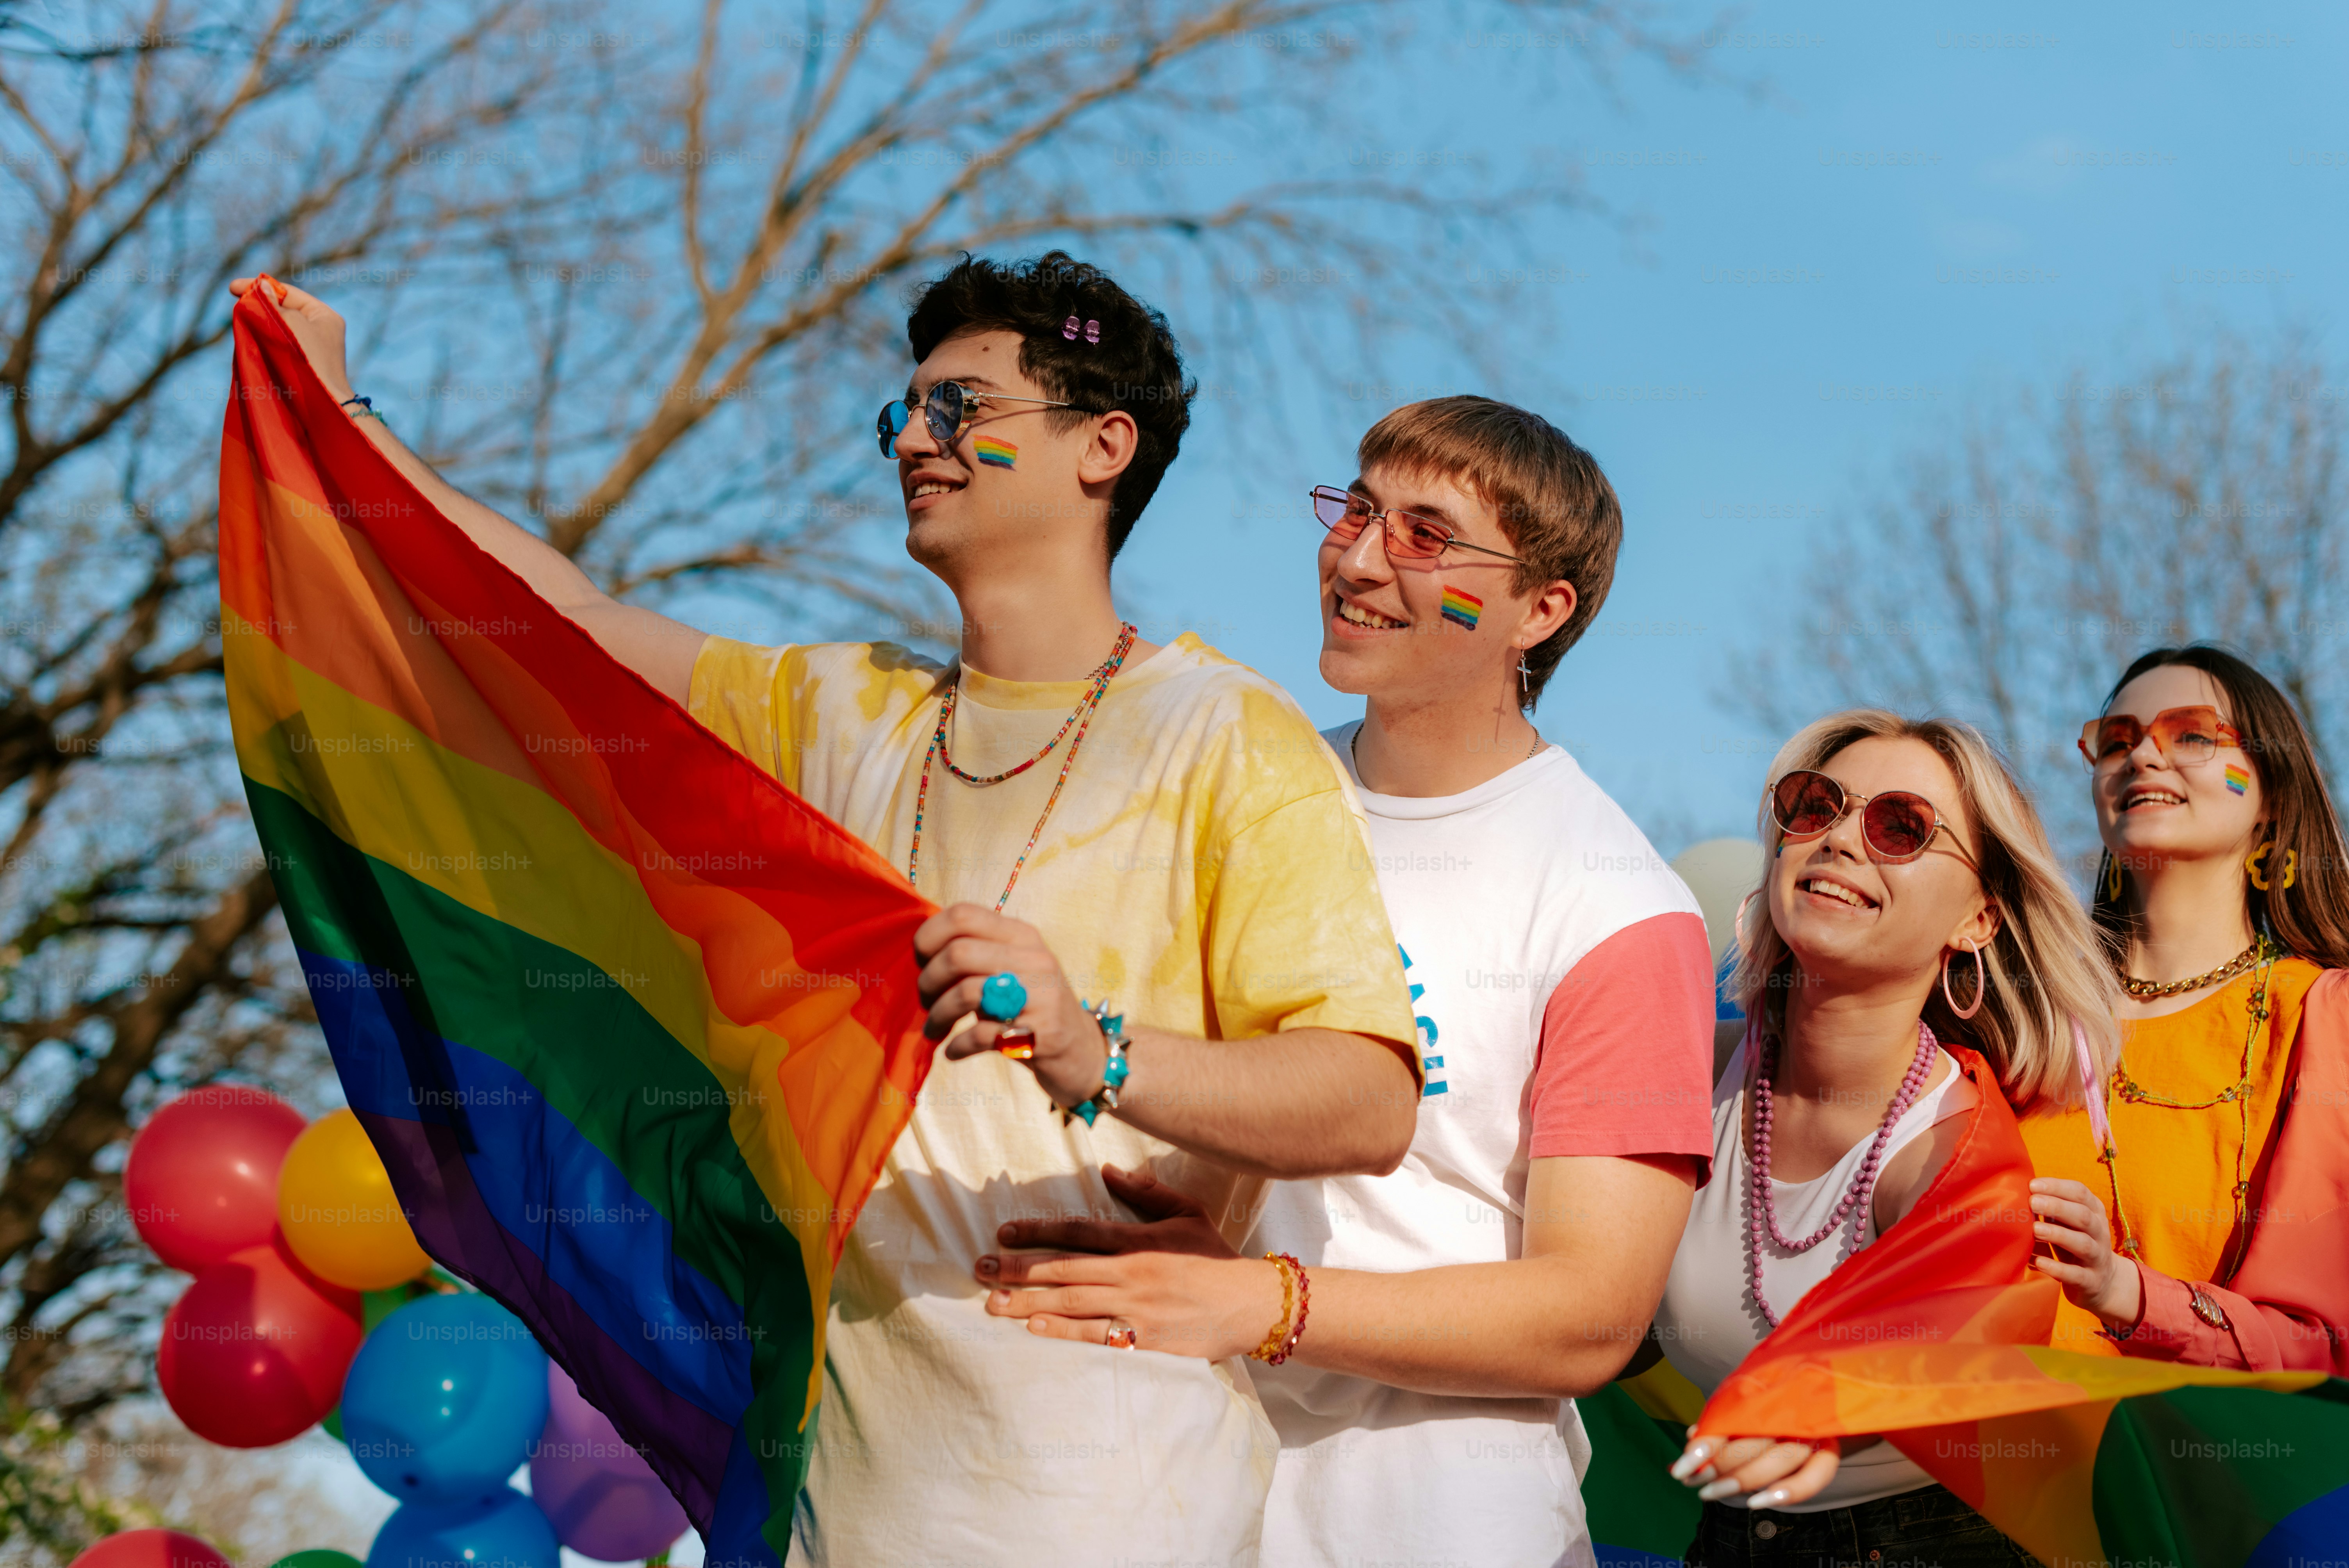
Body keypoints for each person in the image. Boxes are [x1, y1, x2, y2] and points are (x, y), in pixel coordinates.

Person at [229, 254, 1426, 1566]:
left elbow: (1365, 1095)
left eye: (962, 408)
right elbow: (557, 623)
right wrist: (340, 420)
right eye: (903, 413)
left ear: (1103, 444)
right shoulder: (841, 708)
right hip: (830, 1509)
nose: (915, 437)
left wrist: (1099, 1048)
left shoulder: (1224, 737)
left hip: (1110, 1502)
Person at [968, 396, 1717, 1567]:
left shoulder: (1619, 904)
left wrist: (1268, 1305)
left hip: (1442, 1510)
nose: (1359, 558)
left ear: (1542, 608)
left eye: (1426, 534)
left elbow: (1590, 1315)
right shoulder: (1243, 794)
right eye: (1358, 510)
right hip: (1163, 1478)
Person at [1654, 711, 2117, 1564]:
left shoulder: (1959, 1161)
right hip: (1724, 1535)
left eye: (1899, 827)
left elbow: (1934, 1366)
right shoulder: (1681, 1079)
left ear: (1977, 918)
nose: (1837, 838)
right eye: (1814, 805)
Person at [2023, 645, 2349, 1369]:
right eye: (2116, 740)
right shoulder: (2024, 1014)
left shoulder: (2324, 1017)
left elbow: (2326, 1347)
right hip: (2003, 1464)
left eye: (2192, 734)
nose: (2141, 755)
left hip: (2245, 1469)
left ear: (2272, 792)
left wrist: (2131, 1295)